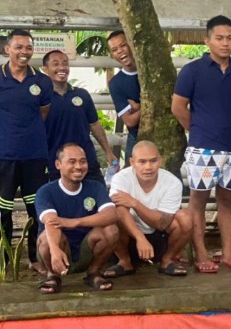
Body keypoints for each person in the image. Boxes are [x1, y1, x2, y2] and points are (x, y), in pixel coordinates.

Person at [171, 15, 231, 273]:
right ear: (207, 41)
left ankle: (227, 254)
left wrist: (225, 127)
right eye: (219, 38)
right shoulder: (192, 70)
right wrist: (199, 129)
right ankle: (202, 255)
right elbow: (178, 107)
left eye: (230, 38)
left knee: (229, 201)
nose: (225, 43)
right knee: (198, 201)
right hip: (203, 148)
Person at [0, 29, 53, 274]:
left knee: (36, 210)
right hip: (4, 157)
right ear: (7, 49)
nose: (24, 52)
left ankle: (35, 258)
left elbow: (43, 112)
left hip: (34, 156)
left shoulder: (41, 81)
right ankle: (5, 261)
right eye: (19, 47)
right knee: (3, 211)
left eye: (28, 47)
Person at [35, 143, 119, 294]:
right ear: (58, 164)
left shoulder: (95, 187)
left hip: (87, 248)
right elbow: (51, 222)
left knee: (111, 230)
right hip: (60, 248)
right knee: (47, 240)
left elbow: (111, 215)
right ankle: (53, 276)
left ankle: (93, 273)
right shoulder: (45, 191)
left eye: (83, 161)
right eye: (72, 162)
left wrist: (75, 222)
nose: (79, 166)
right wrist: (54, 250)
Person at [104, 140, 193, 277]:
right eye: (142, 162)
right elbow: (120, 212)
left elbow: (162, 223)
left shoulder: (172, 182)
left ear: (160, 161)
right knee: (113, 215)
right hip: (129, 236)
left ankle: (167, 261)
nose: (148, 167)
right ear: (132, 162)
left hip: (160, 235)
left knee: (186, 218)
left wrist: (134, 203)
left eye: (153, 161)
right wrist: (140, 238)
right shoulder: (120, 178)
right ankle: (124, 262)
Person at [42, 49, 117, 184]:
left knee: (99, 198)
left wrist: (108, 152)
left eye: (65, 63)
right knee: (63, 202)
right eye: (56, 64)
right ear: (45, 69)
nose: (62, 67)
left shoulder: (82, 95)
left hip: (86, 161)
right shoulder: (40, 98)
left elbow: (94, 124)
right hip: (56, 163)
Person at [107, 30, 141, 162]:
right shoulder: (116, 83)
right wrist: (147, 106)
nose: (120, 51)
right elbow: (130, 121)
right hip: (137, 135)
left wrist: (138, 107)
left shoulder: (153, 71)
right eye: (115, 49)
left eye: (123, 45)